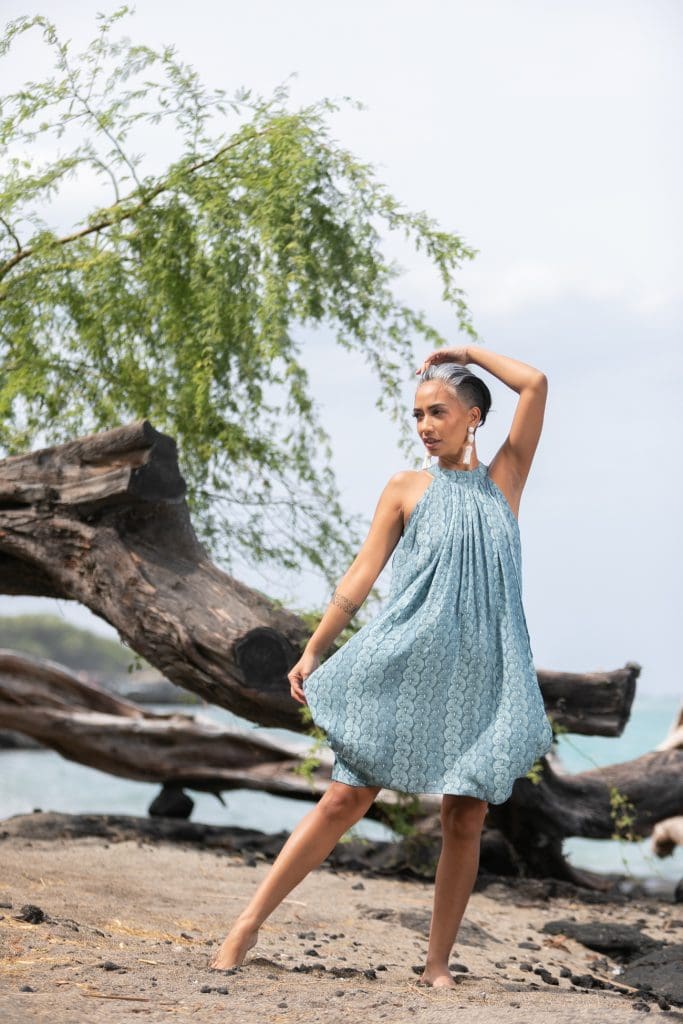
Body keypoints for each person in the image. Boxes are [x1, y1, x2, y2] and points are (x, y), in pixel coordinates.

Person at [209, 345, 554, 989]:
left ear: (474, 416)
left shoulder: (505, 480)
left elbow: (534, 382)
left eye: (439, 411)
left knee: (465, 816)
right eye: (418, 413)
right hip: (405, 662)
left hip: (483, 673)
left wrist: (461, 352)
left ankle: (437, 963)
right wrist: (315, 648)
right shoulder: (405, 487)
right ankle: (248, 924)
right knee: (345, 796)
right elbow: (361, 576)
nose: (425, 425)